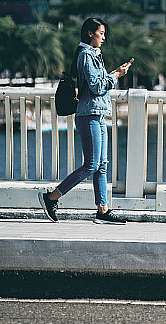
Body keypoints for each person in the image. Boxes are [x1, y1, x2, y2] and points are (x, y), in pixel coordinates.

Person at [39, 18, 133, 224]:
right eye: (101, 33)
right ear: (90, 33)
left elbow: (98, 83)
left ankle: (102, 210)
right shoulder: (85, 55)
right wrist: (116, 75)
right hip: (88, 115)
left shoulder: (94, 54)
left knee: (102, 165)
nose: (104, 38)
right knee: (91, 165)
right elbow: (97, 87)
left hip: (98, 114)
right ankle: (52, 197)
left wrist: (115, 73)